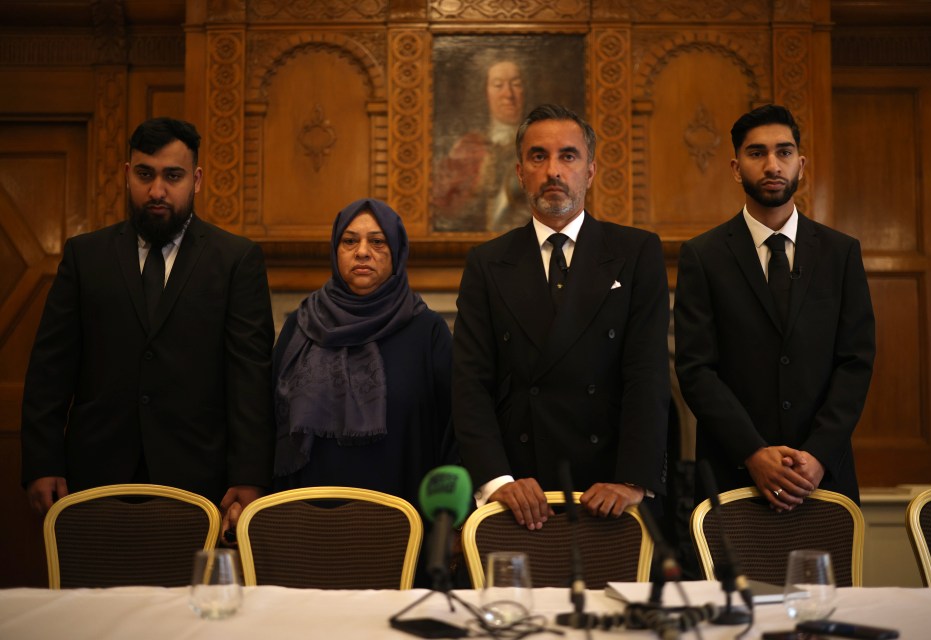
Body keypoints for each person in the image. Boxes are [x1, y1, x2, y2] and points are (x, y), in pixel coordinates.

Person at [20, 117, 275, 528]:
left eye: (172, 176)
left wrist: (249, 475)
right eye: (145, 174)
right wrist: (41, 461)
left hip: (199, 481)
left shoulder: (235, 261)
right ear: (127, 175)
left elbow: (250, 378)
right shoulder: (85, 257)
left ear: (196, 180)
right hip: (94, 477)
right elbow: (51, 368)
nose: (157, 190)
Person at [452, 104, 671, 530]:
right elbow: (469, 384)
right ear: (520, 172)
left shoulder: (636, 252)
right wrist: (498, 482)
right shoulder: (487, 262)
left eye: (568, 156)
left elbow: (647, 376)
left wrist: (631, 482)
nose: (553, 170)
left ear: (589, 171)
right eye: (539, 156)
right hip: (520, 494)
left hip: (609, 492)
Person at [674, 104, 875, 508]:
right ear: (735, 168)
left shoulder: (841, 253)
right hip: (733, 473)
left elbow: (855, 361)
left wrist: (817, 454)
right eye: (756, 153)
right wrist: (753, 452)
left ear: (800, 164)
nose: (772, 165)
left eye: (783, 153)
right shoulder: (703, 255)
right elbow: (696, 369)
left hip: (822, 475)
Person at [272, 198, 455, 511]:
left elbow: (454, 430)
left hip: (401, 520)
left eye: (378, 241)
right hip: (304, 518)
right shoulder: (302, 324)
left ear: (397, 251)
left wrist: (448, 518)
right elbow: (269, 416)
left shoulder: (427, 331)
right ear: (335, 249)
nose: (362, 252)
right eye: (350, 241)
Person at [432, 58, 530, 232]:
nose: (508, 94)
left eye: (516, 84)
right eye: (498, 85)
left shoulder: (540, 145)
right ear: (485, 93)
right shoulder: (468, 147)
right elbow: (444, 211)